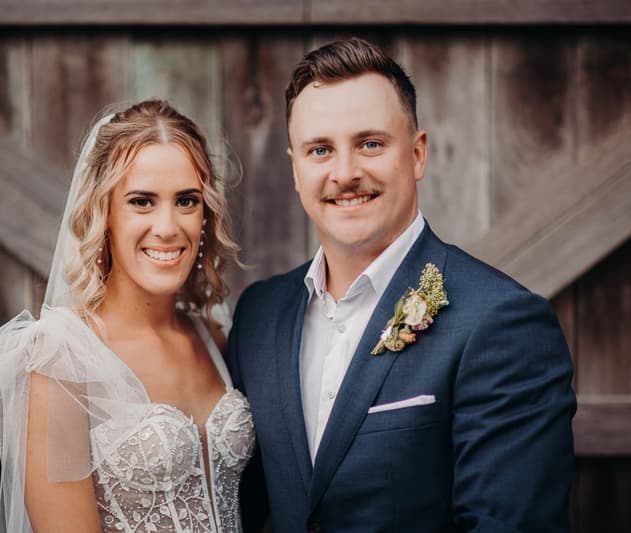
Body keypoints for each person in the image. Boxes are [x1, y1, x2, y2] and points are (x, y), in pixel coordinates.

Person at [228, 38, 576, 532]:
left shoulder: (502, 323)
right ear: (295, 169)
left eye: (370, 144)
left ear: (417, 154)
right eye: (320, 149)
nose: (345, 173)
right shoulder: (259, 315)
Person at [0, 99, 255, 533]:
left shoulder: (212, 335)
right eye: (142, 201)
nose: (168, 226)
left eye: (187, 201)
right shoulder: (58, 360)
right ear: (104, 214)